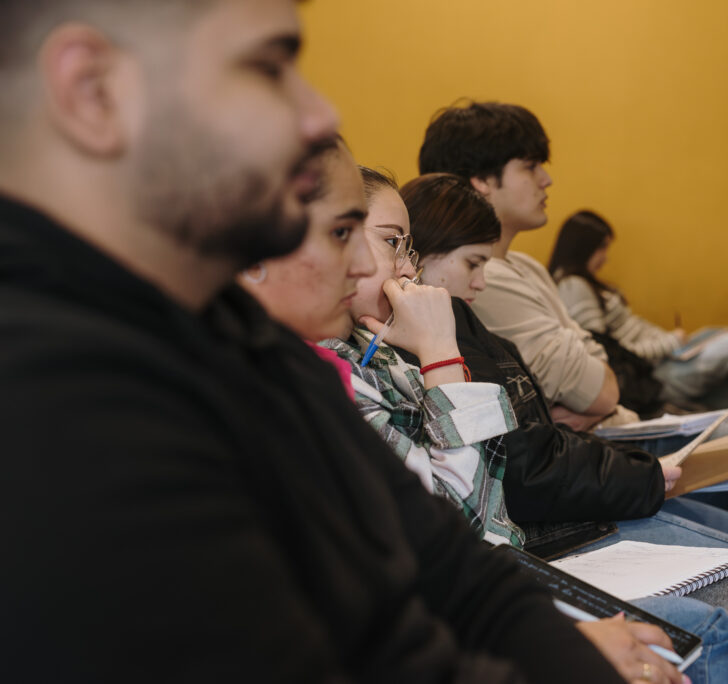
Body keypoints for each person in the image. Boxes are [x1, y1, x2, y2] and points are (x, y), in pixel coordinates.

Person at [0, 3, 650, 681]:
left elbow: (459, 568)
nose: (314, 116)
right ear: (94, 92)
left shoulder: (236, 332)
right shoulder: (53, 403)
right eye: (268, 66)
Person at [399, 171, 728, 683]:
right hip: (553, 515)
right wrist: (641, 469)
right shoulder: (441, 330)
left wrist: (622, 391)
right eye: (531, 166)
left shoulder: (488, 300)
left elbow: (589, 368)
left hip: (582, 466)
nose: (546, 179)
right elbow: (540, 442)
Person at [417, 101, 728, 579]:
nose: (547, 180)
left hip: (604, 435)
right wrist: (589, 373)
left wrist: (588, 367)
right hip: (598, 448)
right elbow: (596, 391)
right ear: (482, 181)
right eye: (530, 167)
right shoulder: (481, 283)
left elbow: (596, 358)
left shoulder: (524, 267)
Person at [549, 209, 728, 415]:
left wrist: (671, 340)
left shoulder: (584, 283)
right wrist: (669, 342)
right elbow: (610, 356)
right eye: (602, 248)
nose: (605, 257)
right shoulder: (573, 286)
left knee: (722, 337)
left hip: (663, 358)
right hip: (652, 373)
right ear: (583, 247)